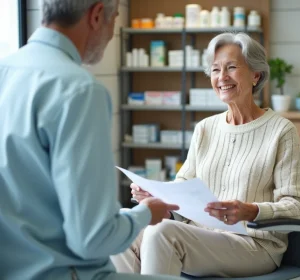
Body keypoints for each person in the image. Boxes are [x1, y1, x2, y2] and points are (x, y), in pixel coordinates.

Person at [0, 1, 182, 279]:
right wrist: (145, 213)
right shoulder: (79, 89)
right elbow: (93, 240)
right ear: (97, 15)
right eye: (113, 22)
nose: (110, 36)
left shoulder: (6, 70)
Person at [111, 32, 300, 278]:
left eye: (231, 67)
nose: (222, 77)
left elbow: (297, 206)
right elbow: (183, 186)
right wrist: (158, 198)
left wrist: (250, 210)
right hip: (200, 235)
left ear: (256, 75)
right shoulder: (205, 128)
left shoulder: (281, 131)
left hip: (253, 244)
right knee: (123, 224)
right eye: (215, 70)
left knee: (162, 234)